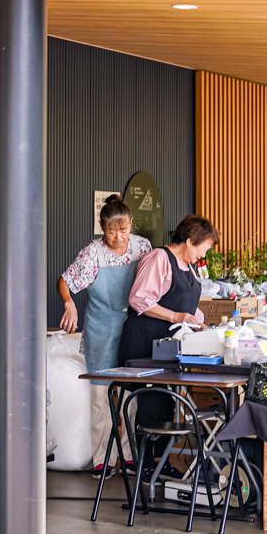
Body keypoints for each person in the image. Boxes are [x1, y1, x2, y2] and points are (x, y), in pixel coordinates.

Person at [54, 196, 152, 469]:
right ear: (102, 227)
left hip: (132, 329)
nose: (118, 236)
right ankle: (103, 460)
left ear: (131, 224)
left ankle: (128, 455)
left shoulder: (142, 247)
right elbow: (65, 281)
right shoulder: (92, 253)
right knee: (101, 397)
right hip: (100, 331)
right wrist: (68, 302)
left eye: (123, 229)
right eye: (111, 231)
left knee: (130, 396)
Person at [118, 214, 219, 364]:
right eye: (203, 249)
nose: (203, 255)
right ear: (190, 241)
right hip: (145, 345)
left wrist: (201, 326)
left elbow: (186, 304)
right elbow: (139, 299)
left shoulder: (189, 266)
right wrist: (176, 317)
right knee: (143, 388)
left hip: (169, 349)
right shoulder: (159, 258)